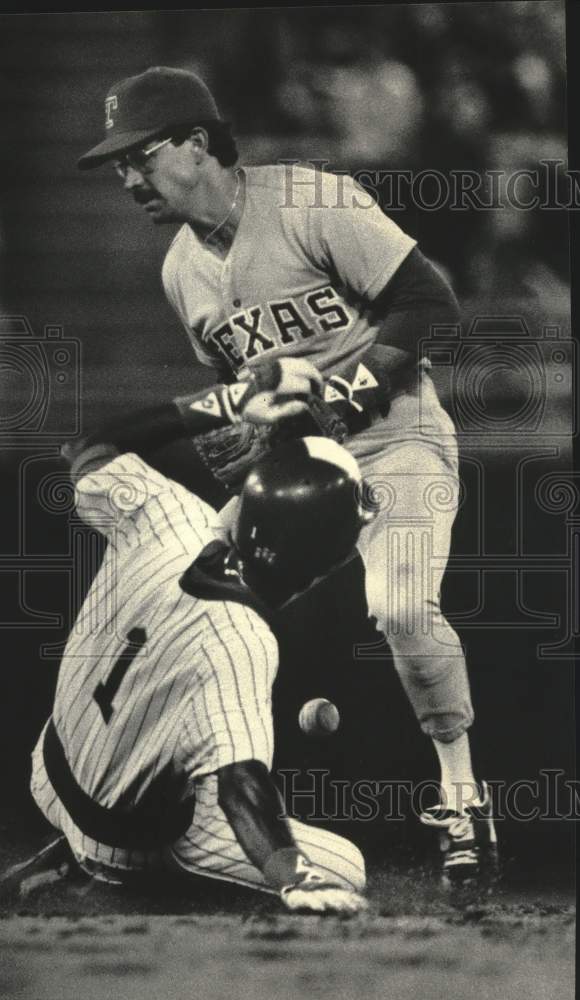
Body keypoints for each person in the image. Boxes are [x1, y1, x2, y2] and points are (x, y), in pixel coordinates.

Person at [77, 66, 497, 882]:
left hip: (396, 440)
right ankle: (139, 803)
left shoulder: (311, 202)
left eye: (138, 155)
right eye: (117, 165)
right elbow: (252, 393)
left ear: (197, 145)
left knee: (402, 605)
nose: (128, 178)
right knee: (184, 598)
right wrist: (242, 433)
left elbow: (427, 304)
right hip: (295, 465)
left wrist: (329, 402)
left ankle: (462, 795)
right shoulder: (179, 272)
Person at [30, 357, 371, 915]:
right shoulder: (240, 641)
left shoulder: (168, 513)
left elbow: (90, 446)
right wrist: (293, 875)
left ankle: (67, 853)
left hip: (49, 768)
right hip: (122, 842)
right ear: (323, 568)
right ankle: (105, 879)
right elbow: (242, 785)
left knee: (190, 744)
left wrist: (230, 402)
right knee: (344, 868)